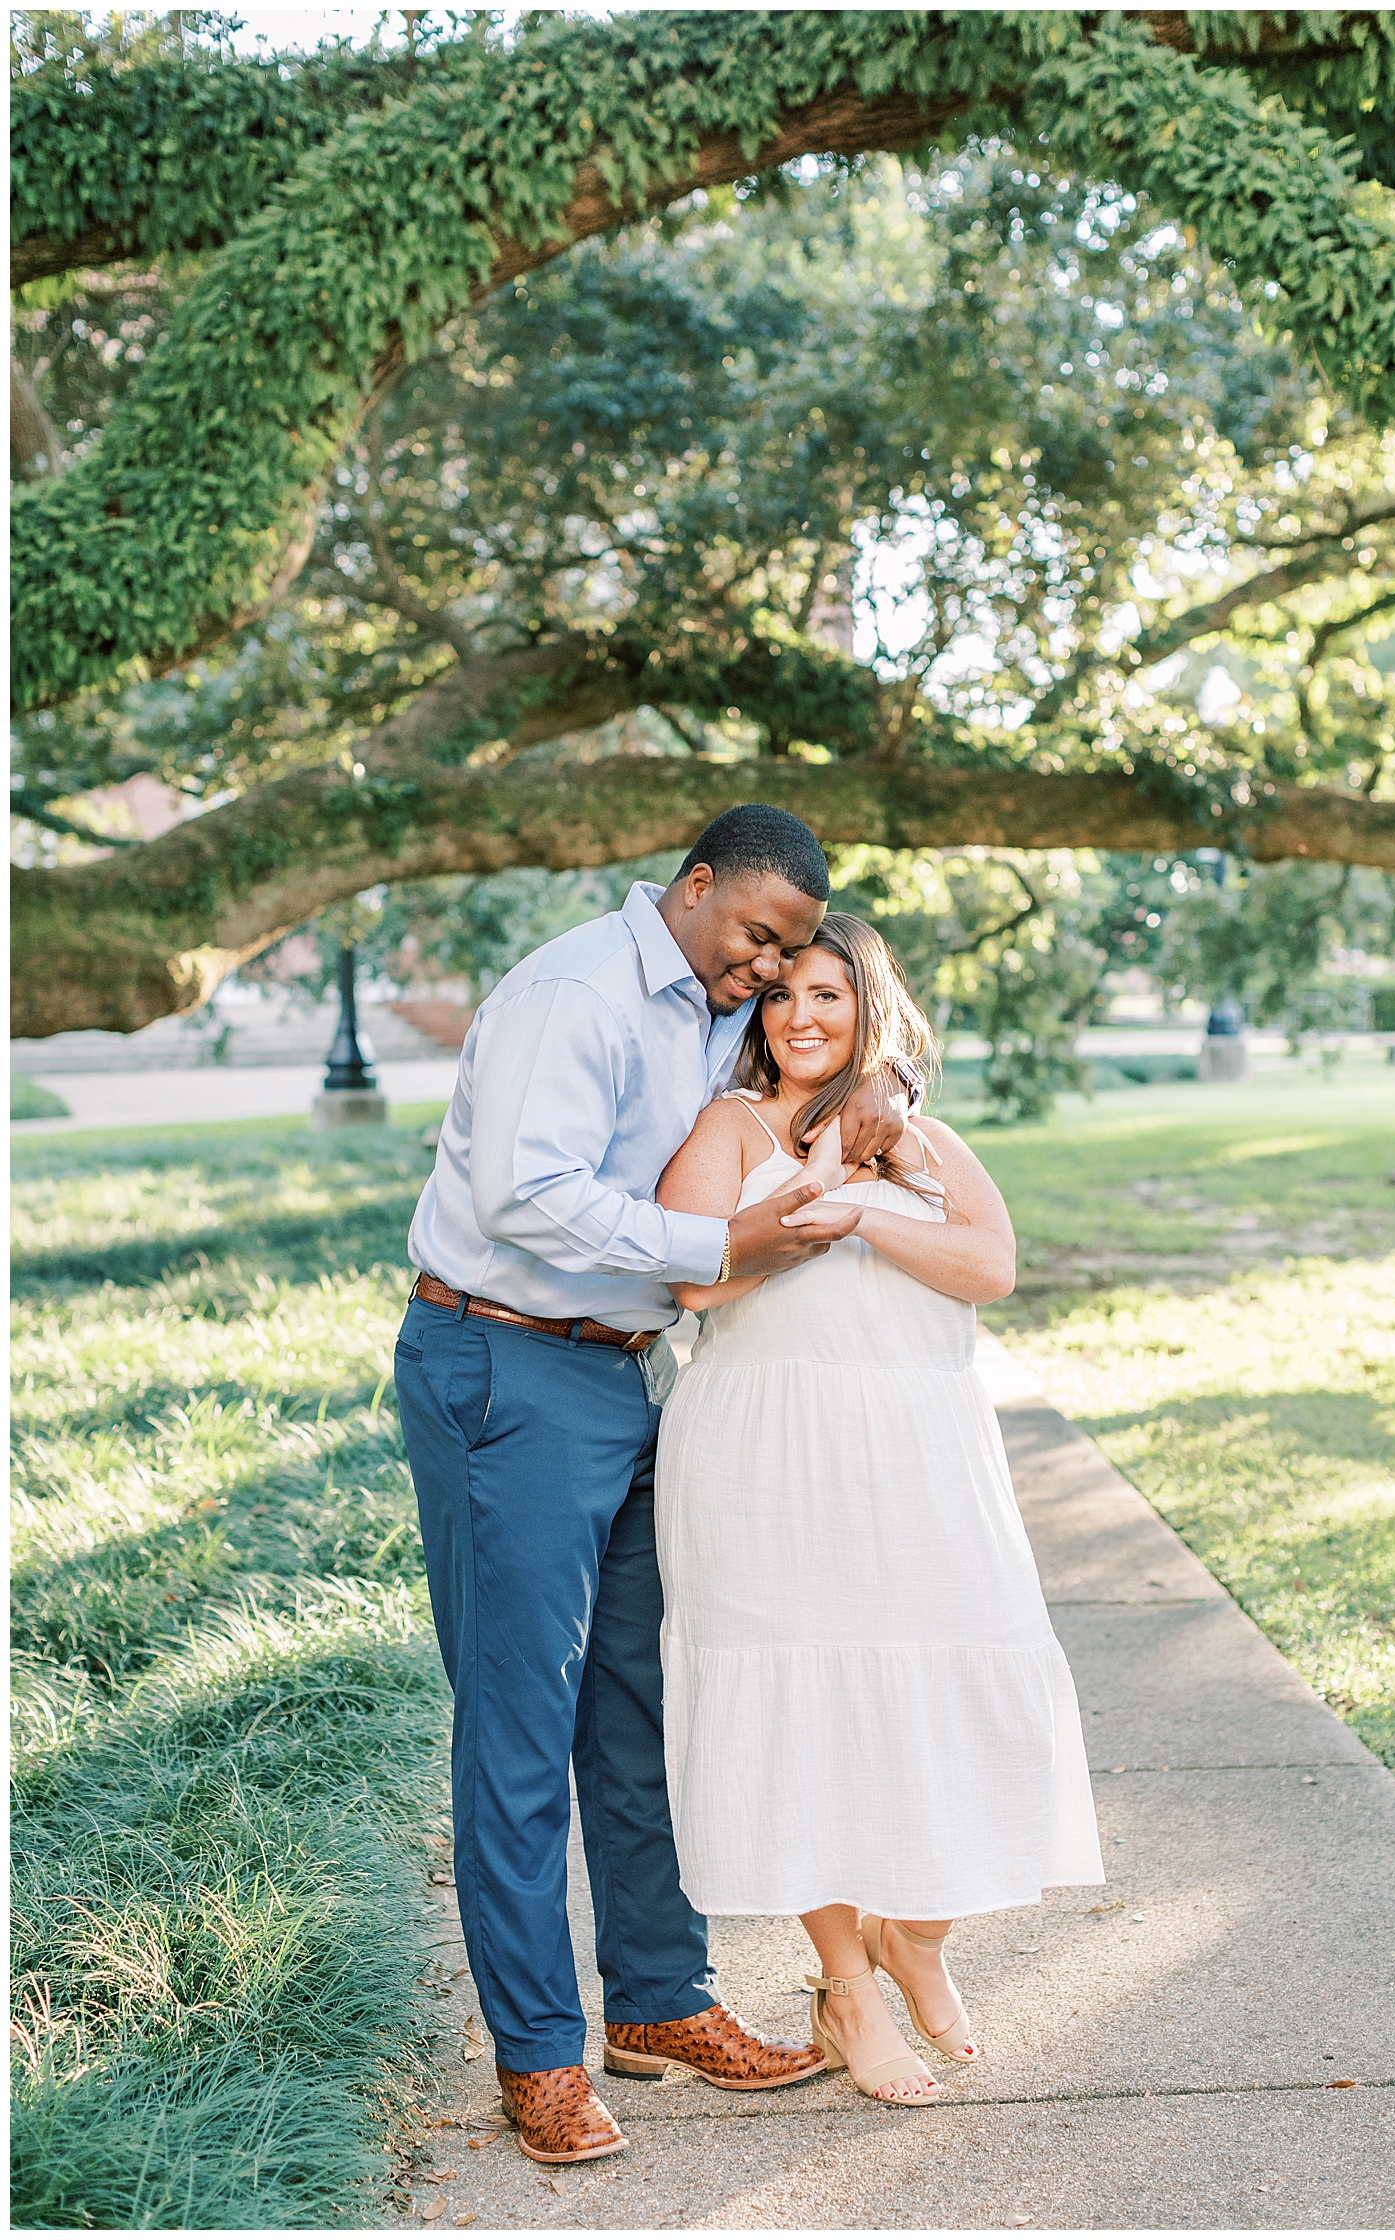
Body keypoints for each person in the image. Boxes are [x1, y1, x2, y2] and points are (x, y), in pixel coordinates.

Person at [393, 807, 914, 2165]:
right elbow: (523, 1192)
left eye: (792, 949)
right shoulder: (575, 991)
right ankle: (541, 2053)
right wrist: (716, 1237)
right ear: (693, 889)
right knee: (519, 1730)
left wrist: (886, 1089)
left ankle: (662, 2003)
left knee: (637, 1713)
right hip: (503, 1363)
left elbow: (809, 1065)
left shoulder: (701, 1005)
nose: (767, 968)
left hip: (624, 1376)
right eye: (758, 936)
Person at [655, 913, 1105, 2105]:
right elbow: (694, 1274)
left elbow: (990, 1267)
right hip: (765, 1454)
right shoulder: (729, 1125)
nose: (801, 1017)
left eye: (830, 998)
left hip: (921, 1454)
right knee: (799, 1706)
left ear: (871, 1015)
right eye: (782, 995)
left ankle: (921, 1937)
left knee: (961, 1688)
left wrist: (870, 1201)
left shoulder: (925, 1139)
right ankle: (845, 1983)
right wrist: (826, 1186)